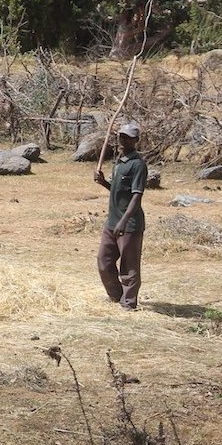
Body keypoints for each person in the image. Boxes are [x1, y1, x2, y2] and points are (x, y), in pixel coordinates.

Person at [93, 123, 148, 310]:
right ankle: (116, 296)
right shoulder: (120, 162)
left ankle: (128, 303)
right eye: (121, 137)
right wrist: (104, 183)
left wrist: (124, 221)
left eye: (128, 137)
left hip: (129, 224)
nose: (123, 140)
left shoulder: (138, 165)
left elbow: (136, 196)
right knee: (103, 260)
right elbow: (118, 191)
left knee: (129, 266)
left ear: (136, 140)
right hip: (112, 221)